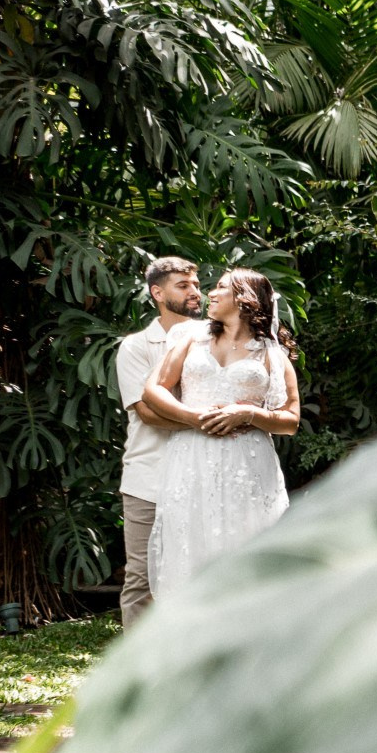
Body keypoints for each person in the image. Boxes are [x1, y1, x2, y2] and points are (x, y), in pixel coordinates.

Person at [139, 268, 301, 597]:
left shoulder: (271, 354)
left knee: (246, 541)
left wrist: (250, 413)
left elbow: (291, 419)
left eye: (222, 287)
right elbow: (153, 391)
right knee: (192, 539)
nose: (211, 293)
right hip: (192, 457)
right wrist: (194, 417)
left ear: (245, 300)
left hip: (247, 464)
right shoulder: (190, 339)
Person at [113, 256, 203, 627]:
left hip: (202, 472)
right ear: (157, 292)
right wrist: (206, 422)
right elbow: (146, 411)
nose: (195, 292)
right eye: (183, 286)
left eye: (196, 285)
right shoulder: (136, 346)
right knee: (141, 576)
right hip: (148, 477)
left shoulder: (213, 340)